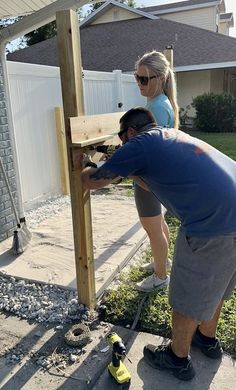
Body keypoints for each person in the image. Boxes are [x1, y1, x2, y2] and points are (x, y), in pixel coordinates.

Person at [80, 107, 236, 381]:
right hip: (230, 210)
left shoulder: (140, 143)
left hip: (211, 224)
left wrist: (85, 161)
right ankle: (207, 340)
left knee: (186, 296)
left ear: (130, 132)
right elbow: (151, 182)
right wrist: (125, 169)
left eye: (122, 140)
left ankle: (177, 359)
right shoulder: (171, 135)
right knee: (218, 283)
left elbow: (91, 182)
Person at [133, 50, 179, 292]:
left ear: (160, 78)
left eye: (144, 79)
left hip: (148, 180)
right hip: (155, 178)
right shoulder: (157, 102)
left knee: (152, 229)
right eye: (137, 77)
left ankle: (161, 277)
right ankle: (164, 262)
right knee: (158, 224)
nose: (139, 83)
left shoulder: (157, 108)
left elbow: (151, 150)